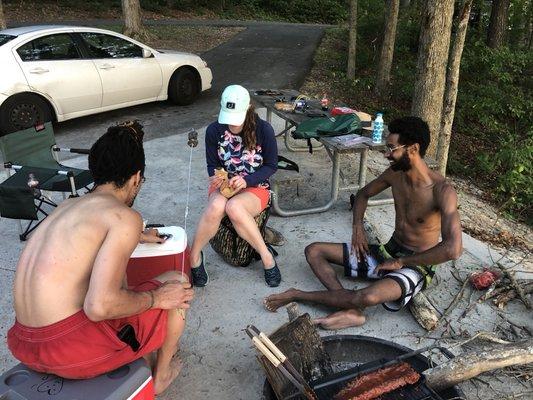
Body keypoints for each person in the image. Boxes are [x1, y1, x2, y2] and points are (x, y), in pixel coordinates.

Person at [7, 121, 194, 395]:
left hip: (25, 344)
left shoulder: (68, 206)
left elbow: (82, 240)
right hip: (68, 352)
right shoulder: (124, 217)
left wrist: (138, 236)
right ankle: (162, 375)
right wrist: (157, 298)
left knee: (122, 289)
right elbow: (99, 306)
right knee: (177, 284)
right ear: (136, 178)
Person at [264, 116, 463, 329]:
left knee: (367, 297)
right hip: (387, 252)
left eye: (392, 148)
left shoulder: (442, 190)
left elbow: (453, 249)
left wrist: (401, 263)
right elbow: (362, 194)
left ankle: (298, 295)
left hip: (415, 265)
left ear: (413, 148)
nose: (387, 154)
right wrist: (357, 227)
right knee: (314, 251)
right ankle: (352, 311)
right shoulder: (395, 174)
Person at [189, 84, 280, 287]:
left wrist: (246, 180)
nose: (232, 124)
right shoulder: (214, 130)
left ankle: (267, 258)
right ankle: (194, 257)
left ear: (248, 108)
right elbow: (212, 164)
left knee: (234, 207)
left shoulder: (263, 129)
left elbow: (271, 165)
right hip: (226, 183)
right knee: (215, 206)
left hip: (255, 185)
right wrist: (217, 177)